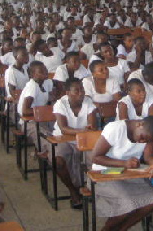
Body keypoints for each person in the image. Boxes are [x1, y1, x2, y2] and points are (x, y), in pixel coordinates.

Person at [91, 116, 153, 231]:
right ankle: (106, 229)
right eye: (141, 138)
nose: (141, 142)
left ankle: (122, 228)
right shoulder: (115, 129)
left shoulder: (148, 134)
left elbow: (148, 157)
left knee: (152, 201)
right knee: (127, 205)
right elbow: (95, 157)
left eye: (145, 141)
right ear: (139, 124)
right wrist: (124, 163)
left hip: (130, 175)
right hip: (104, 173)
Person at [48, 78, 97, 208]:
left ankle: (88, 187)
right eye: (77, 90)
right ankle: (72, 190)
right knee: (58, 161)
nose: (81, 93)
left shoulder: (88, 102)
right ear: (68, 92)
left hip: (84, 138)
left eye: (82, 89)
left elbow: (92, 126)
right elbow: (63, 129)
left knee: (96, 158)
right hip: (62, 138)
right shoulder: (61, 103)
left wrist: (84, 132)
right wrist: (82, 131)